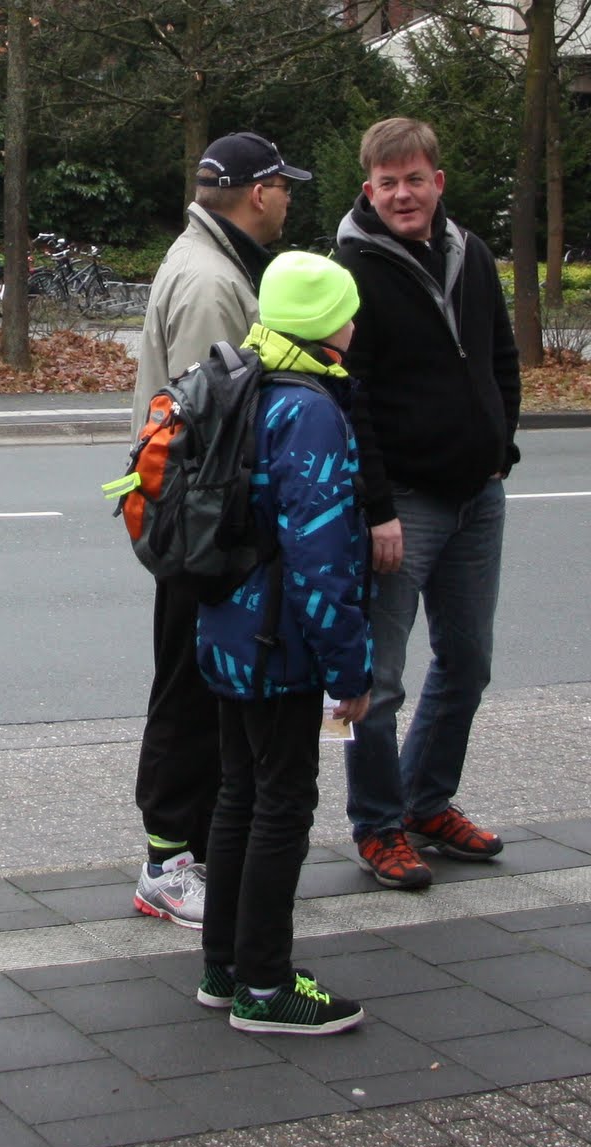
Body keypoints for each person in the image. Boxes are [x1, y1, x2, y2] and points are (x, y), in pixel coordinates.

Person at [128, 130, 311, 930]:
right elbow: (215, 418)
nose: (290, 199)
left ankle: (192, 849)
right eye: (284, 186)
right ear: (259, 193)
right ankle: (167, 863)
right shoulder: (212, 281)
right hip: (200, 523)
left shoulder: (210, 260)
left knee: (198, 682)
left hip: (193, 516)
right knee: (189, 688)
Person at [335, 118, 520, 890]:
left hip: (479, 494)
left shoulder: (469, 252)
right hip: (404, 505)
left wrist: (500, 444)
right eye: (389, 183)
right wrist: (377, 506)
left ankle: (425, 801)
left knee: (468, 662)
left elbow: (500, 355)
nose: (403, 195)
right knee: (377, 681)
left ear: (438, 182)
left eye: (415, 179)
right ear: (369, 189)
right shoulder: (351, 270)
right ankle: (378, 826)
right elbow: (351, 399)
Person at [196, 250, 372, 1035]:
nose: (356, 322)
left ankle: (224, 966)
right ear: (325, 323)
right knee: (284, 805)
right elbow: (322, 557)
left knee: (238, 794)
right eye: (347, 310)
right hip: (280, 643)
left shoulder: (242, 381)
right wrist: (350, 670)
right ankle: (265, 987)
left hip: (227, 628)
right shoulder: (310, 411)